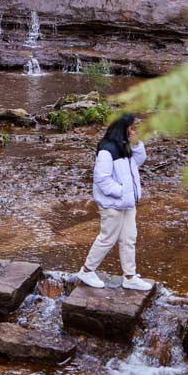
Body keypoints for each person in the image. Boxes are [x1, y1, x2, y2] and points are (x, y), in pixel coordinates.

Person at [75, 113, 152, 291]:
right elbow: (101, 179)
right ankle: (86, 270)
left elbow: (138, 162)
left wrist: (137, 144)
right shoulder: (107, 149)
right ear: (122, 128)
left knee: (129, 239)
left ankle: (130, 277)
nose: (133, 130)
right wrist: (122, 192)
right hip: (112, 204)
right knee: (107, 238)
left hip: (128, 203)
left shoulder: (125, 145)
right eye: (131, 128)